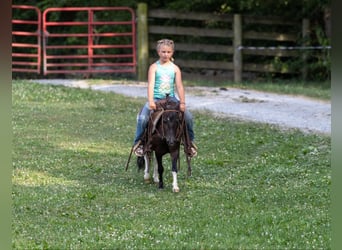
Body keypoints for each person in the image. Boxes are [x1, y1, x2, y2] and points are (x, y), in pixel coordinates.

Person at [132, 38, 197, 157]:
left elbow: (179, 86)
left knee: (188, 117)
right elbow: (151, 84)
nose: (165, 54)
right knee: (143, 118)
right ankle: (139, 143)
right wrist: (151, 100)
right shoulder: (154, 67)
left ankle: (190, 143)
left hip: (171, 99)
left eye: (168, 52)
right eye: (163, 52)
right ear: (158, 52)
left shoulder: (175, 68)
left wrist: (182, 102)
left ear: (172, 53)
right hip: (156, 99)